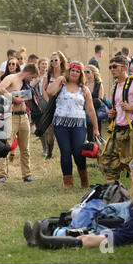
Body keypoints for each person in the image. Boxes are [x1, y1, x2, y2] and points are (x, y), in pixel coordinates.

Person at [24, 157, 133, 249]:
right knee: (83, 238)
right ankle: (41, 240)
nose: (132, 176)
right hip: (128, 229)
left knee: (90, 239)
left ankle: (43, 241)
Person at [47, 61, 100, 190]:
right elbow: (50, 92)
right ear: (69, 71)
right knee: (65, 152)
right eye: (72, 70)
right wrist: (59, 79)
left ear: (80, 74)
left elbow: (91, 109)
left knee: (78, 152)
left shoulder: (84, 89)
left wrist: (96, 128)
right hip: (61, 123)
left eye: (77, 71)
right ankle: (68, 183)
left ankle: (84, 180)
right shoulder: (61, 85)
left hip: (78, 124)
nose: (74, 73)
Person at [0, 64, 39, 184]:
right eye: (32, 77)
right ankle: (2, 175)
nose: (32, 80)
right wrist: (13, 98)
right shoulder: (11, 78)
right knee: (5, 147)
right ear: (29, 73)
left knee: (25, 148)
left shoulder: (26, 84)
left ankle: (27, 175)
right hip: (11, 116)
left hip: (24, 116)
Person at [41, 51, 69, 160]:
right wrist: (48, 102)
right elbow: (44, 89)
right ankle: (49, 152)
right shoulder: (48, 74)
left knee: (62, 129)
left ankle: (65, 151)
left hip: (64, 104)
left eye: (56, 60)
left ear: (61, 60)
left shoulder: (66, 73)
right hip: (51, 102)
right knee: (50, 130)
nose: (53, 62)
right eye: (51, 60)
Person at [33, 58, 49, 157]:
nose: (44, 66)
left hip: (47, 102)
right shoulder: (35, 76)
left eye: (46, 64)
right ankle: (44, 148)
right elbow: (31, 87)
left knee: (47, 128)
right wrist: (36, 81)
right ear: (39, 65)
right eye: (42, 64)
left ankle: (48, 148)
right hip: (37, 103)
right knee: (40, 127)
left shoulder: (49, 76)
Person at [85, 64, 104, 141]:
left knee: (97, 133)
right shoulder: (83, 84)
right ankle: (90, 149)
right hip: (85, 112)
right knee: (88, 134)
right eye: (84, 72)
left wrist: (88, 102)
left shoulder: (99, 84)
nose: (85, 74)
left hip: (96, 112)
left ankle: (98, 148)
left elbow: (100, 100)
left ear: (93, 73)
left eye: (87, 72)